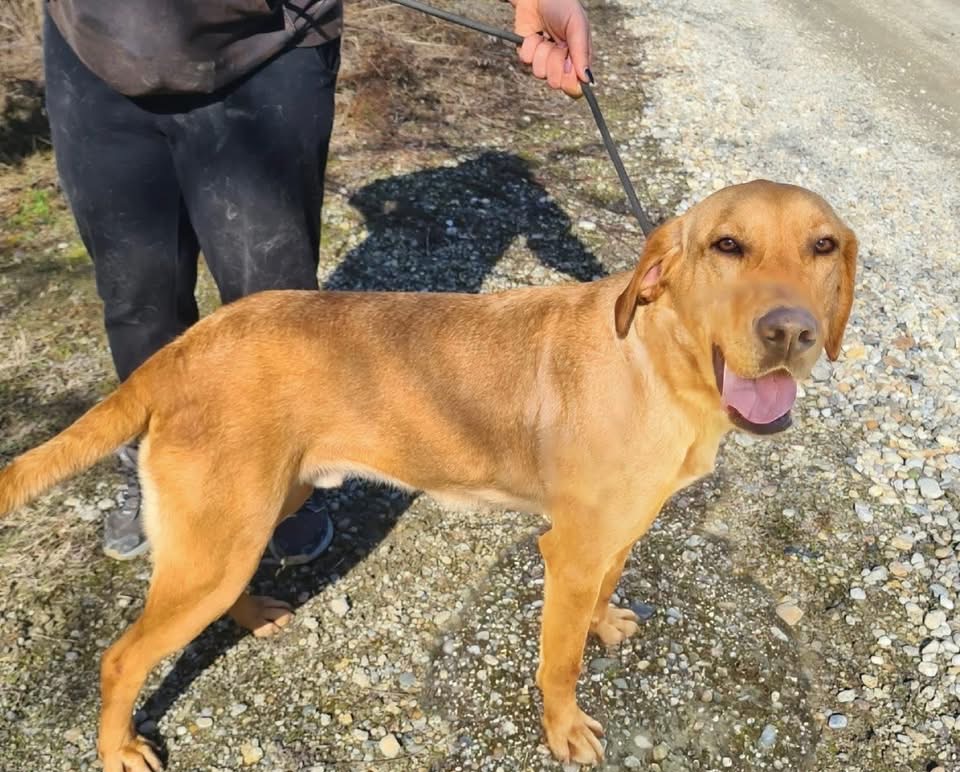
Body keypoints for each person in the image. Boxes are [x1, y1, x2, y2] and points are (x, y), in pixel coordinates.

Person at [42, 0, 593, 562]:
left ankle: (285, 471)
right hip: (97, 48)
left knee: (274, 297)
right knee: (138, 297)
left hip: (265, 49)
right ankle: (152, 457)